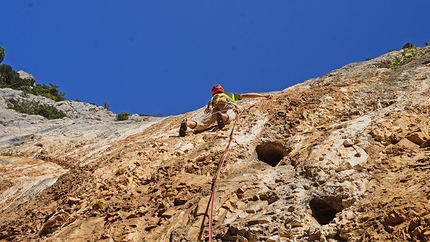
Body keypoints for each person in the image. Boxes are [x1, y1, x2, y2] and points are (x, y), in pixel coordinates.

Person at [179, 84, 273, 137]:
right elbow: (247, 94)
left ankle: (188, 123)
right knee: (231, 114)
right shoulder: (230, 94)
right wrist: (263, 96)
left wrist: (210, 109)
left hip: (216, 107)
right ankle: (223, 117)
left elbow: (208, 110)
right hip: (228, 105)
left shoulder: (212, 99)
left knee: (203, 122)